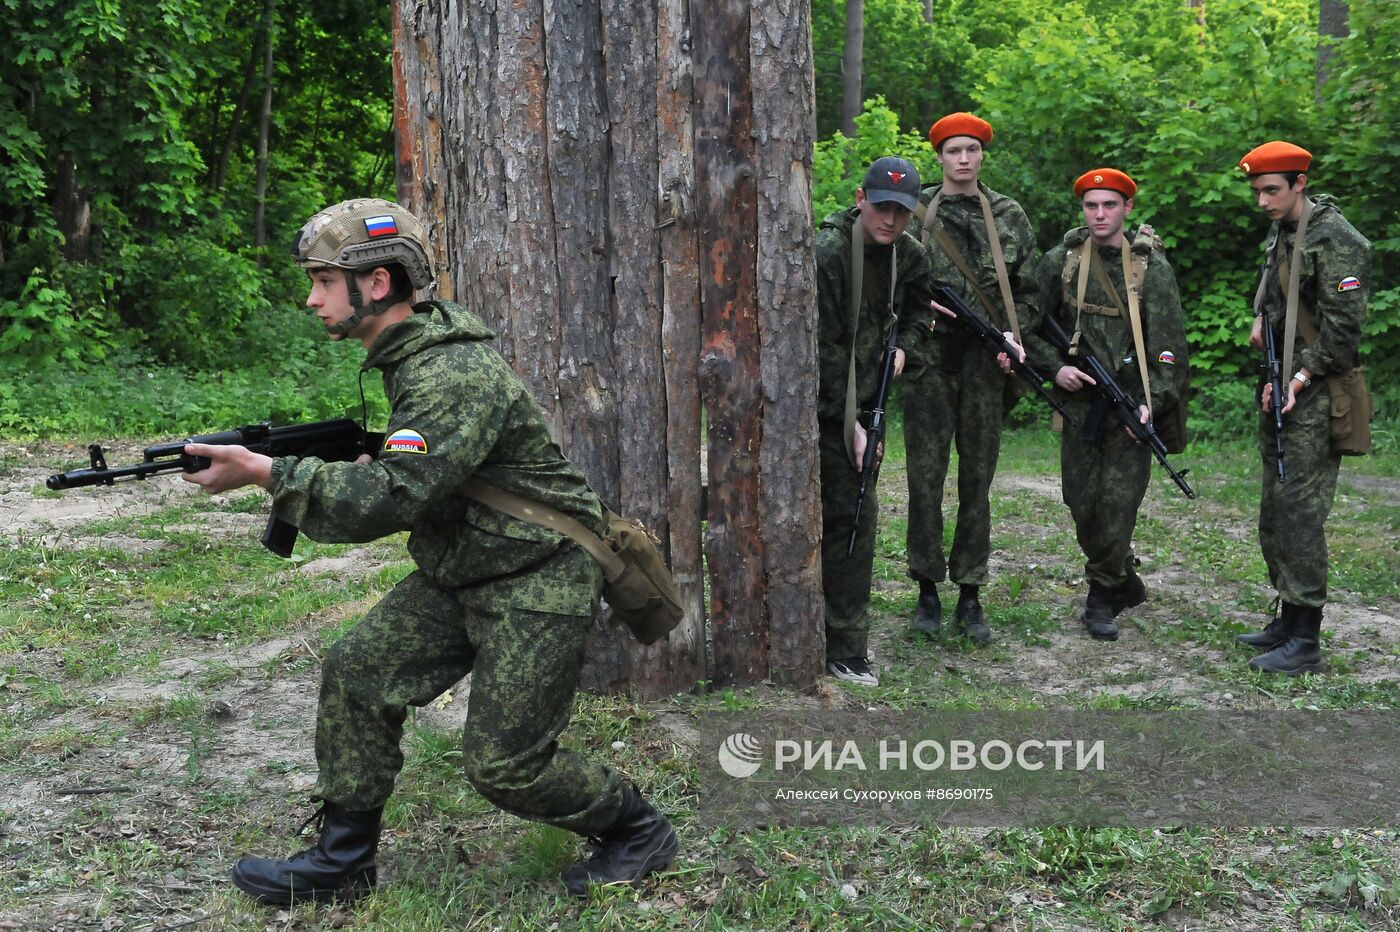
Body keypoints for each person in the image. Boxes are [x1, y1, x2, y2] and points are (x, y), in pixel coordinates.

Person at [180, 198, 677, 903]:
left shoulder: (449, 375)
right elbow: (420, 473)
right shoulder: (411, 357)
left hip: (535, 577)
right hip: (468, 565)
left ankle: (637, 829)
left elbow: (393, 498)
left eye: (323, 281)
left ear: (376, 284)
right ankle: (342, 865)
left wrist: (266, 473)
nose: (311, 297)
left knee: (506, 767)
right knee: (357, 672)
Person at [1021, 170, 1188, 641]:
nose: (1099, 214)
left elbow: (1170, 347)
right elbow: (1025, 325)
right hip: (1080, 407)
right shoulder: (1062, 261)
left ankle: (1101, 597)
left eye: (1109, 205)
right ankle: (1124, 580)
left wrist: (1153, 402)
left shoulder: (1149, 267)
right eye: (1091, 206)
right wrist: (1055, 369)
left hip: (1131, 408)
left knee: (1117, 505)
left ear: (1127, 209)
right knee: (1080, 501)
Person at [903, 112, 1040, 643]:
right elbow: (896, 285)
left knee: (977, 482)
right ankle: (927, 590)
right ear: (939, 156)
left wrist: (1014, 337)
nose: (963, 159)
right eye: (953, 151)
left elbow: (1030, 289)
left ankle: (971, 591)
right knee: (925, 478)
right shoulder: (916, 212)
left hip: (986, 365)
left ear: (982, 155)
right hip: (931, 362)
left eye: (972, 150)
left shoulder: (1007, 214)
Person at [1234, 141, 1371, 675]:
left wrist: (1299, 375)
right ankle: (1287, 621)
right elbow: (1281, 300)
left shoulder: (1338, 238)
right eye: (1257, 192)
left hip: (1317, 394)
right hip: (1283, 384)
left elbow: (1343, 331)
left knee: (1301, 513)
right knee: (1275, 508)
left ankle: (1306, 639)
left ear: (1299, 184)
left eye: (1272, 190)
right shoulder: (1285, 230)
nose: (1263, 201)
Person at [815, 157, 937, 686]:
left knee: (856, 521)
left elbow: (920, 313)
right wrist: (849, 424)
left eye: (902, 212)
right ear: (861, 200)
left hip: (870, 400)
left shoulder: (909, 255)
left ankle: (845, 643)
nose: (891, 220)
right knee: (823, 518)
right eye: (882, 208)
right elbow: (818, 345)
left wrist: (906, 349)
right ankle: (821, 635)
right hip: (817, 403)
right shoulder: (829, 253)